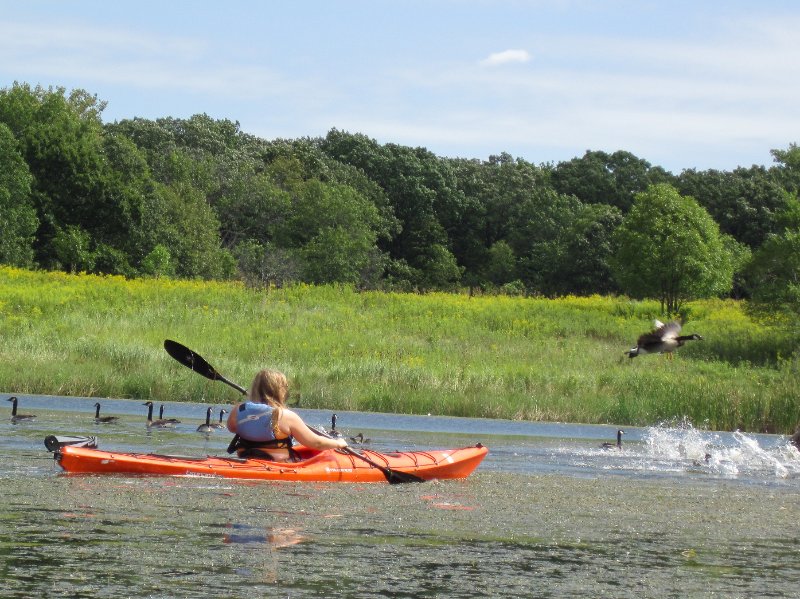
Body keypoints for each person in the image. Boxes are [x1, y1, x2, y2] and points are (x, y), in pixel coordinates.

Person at [227, 369, 347, 461]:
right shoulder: (285, 416)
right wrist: (338, 443)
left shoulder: (239, 409)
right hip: (276, 463)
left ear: (255, 388)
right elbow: (316, 443)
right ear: (280, 390)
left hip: (244, 458)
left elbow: (231, 428)